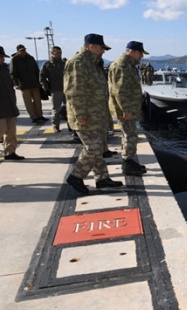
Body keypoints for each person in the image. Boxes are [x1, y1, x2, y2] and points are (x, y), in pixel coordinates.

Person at [64, 33, 123, 194]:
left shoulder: (92, 63)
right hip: (86, 116)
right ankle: (76, 176)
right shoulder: (78, 63)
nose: (103, 51)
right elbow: (74, 92)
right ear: (91, 47)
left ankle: (102, 179)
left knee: (98, 148)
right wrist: (80, 116)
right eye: (101, 48)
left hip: (95, 115)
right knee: (93, 148)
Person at [108, 41, 149, 176]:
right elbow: (120, 91)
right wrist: (126, 110)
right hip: (126, 110)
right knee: (131, 135)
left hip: (128, 108)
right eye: (140, 53)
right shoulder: (122, 66)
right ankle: (127, 163)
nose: (142, 56)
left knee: (128, 135)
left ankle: (128, 160)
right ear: (132, 52)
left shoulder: (129, 65)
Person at [10, 44, 46, 123]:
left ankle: (40, 115)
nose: (23, 52)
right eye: (21, 50)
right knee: (28, 102)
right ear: (18, 51)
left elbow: (37, 70)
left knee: (37, 101)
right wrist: (16, 84)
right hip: (24, 85)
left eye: (24, 50)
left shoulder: (31, 58)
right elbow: (13, 73)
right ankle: (33, 117)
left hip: (34, 83)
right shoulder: (14, 59)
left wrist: (40, 81)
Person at [0, 46, 24, 160]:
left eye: (2, 57)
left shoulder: (5, 68)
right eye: (0, 57)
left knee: (11, 132)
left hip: (9, 105)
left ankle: (10, 152)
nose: (2, 59)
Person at [40, 46, 66, 132]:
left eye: (60, 52)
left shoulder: (64, 63)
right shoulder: (47, 64)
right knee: (56, 109)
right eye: (57, 53)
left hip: (67, 89)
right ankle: (56, 126)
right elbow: (42, 77)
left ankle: (71, 126)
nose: (59, 54)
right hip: (56, 90)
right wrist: (46, 88)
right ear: (52, 53)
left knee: (70, 109)